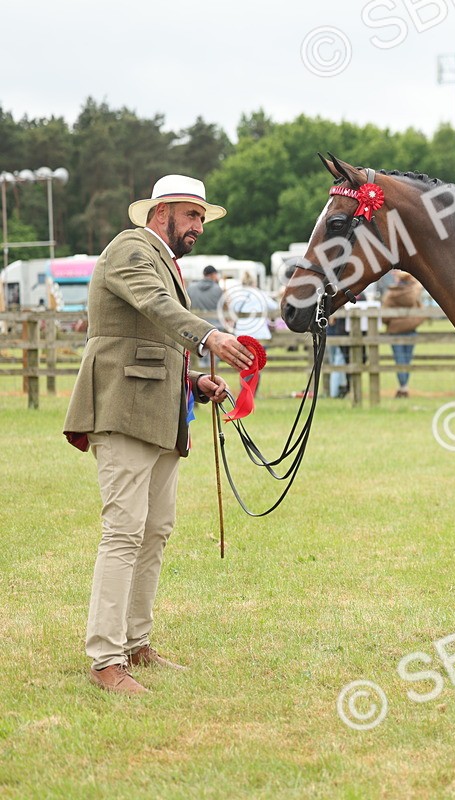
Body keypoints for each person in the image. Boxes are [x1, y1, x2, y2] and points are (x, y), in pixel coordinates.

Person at [64, 174, 254, 696]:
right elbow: (156, 308)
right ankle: (106, 660)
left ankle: (135, 644)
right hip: (123, 410)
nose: (198, 227)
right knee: (124, 531)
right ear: (160, 211)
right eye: (191, 216)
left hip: (160, 412)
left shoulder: (163, 260)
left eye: (200, 218)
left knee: (155, 531)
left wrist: (195, 380)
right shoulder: (131, 249)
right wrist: (210, 333)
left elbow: (152, 340)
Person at [382, 271, 425, 398]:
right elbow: (421, 311)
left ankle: (403, 386)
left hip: (395, 331)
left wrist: (394, 321)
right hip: (411, 330)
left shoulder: (390, 295)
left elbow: (384, 316)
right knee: (407, 359)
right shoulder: (414, 294)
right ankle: (404, 386)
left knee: (399, 359)